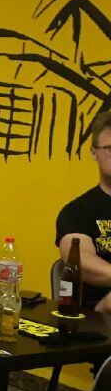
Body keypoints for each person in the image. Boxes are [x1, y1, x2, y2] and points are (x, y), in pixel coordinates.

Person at [57, 109, 111, 312]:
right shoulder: (77, 212)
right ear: (94, 153)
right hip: (98, 313)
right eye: (110, 149)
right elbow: (81, 262)